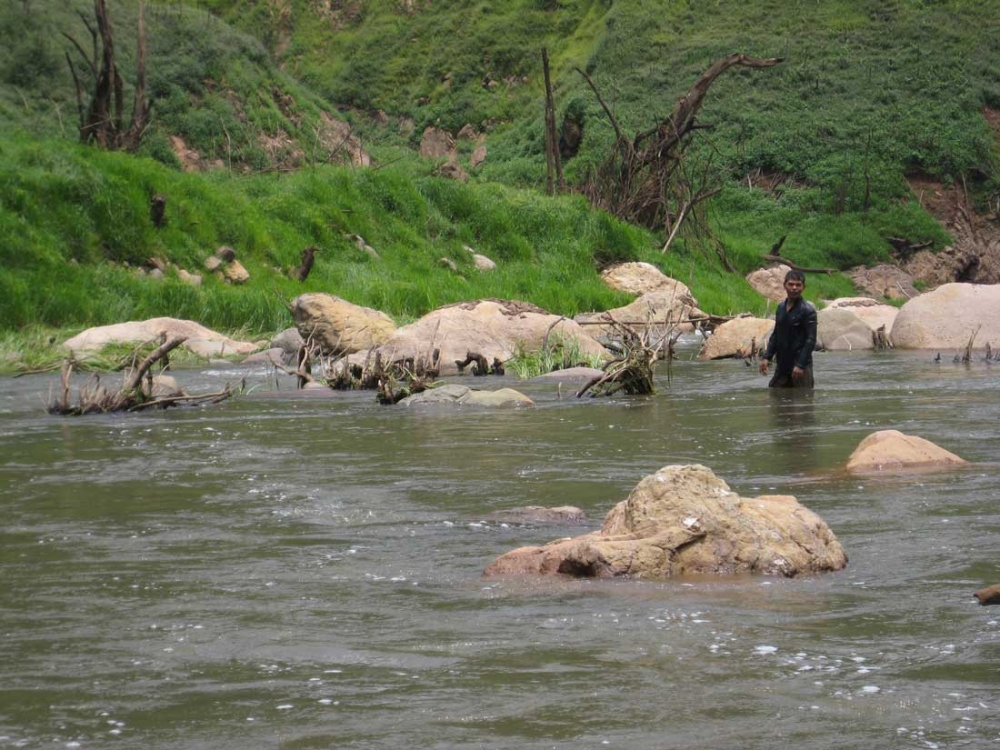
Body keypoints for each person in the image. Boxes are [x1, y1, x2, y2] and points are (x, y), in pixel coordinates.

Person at [759, 269, 817, 388]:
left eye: (798, 285)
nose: (794, 288)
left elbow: (810, 340)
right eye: (791, 284)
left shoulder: (808, 311)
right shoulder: (780, 308)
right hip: (782, 363)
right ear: (784, 285)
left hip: (801, 364)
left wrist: (800, 365)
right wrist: (767, 357)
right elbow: (776, 334)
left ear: (803, 287)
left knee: (803, 401)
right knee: (775, 396)